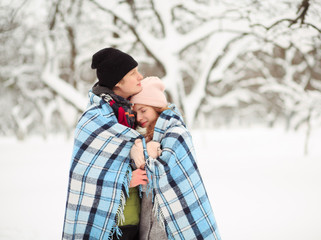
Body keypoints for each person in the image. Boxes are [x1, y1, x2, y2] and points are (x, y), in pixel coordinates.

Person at [62, 47, 148, 240]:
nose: (140, 76)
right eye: (133, 73)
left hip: (135, 219)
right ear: (118, 81)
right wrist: (127, 180)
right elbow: (91, 175)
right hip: (109, 225)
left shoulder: (131, 111)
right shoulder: (96, 118)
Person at [130, 76, 222, 240]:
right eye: (135, 112)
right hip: (148, 222)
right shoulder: (144, 139)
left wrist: (143, 154)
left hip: (173, 221)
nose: (139, 117)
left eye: (143, 110)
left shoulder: (178, 133)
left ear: (157, 107)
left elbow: (163, 175)